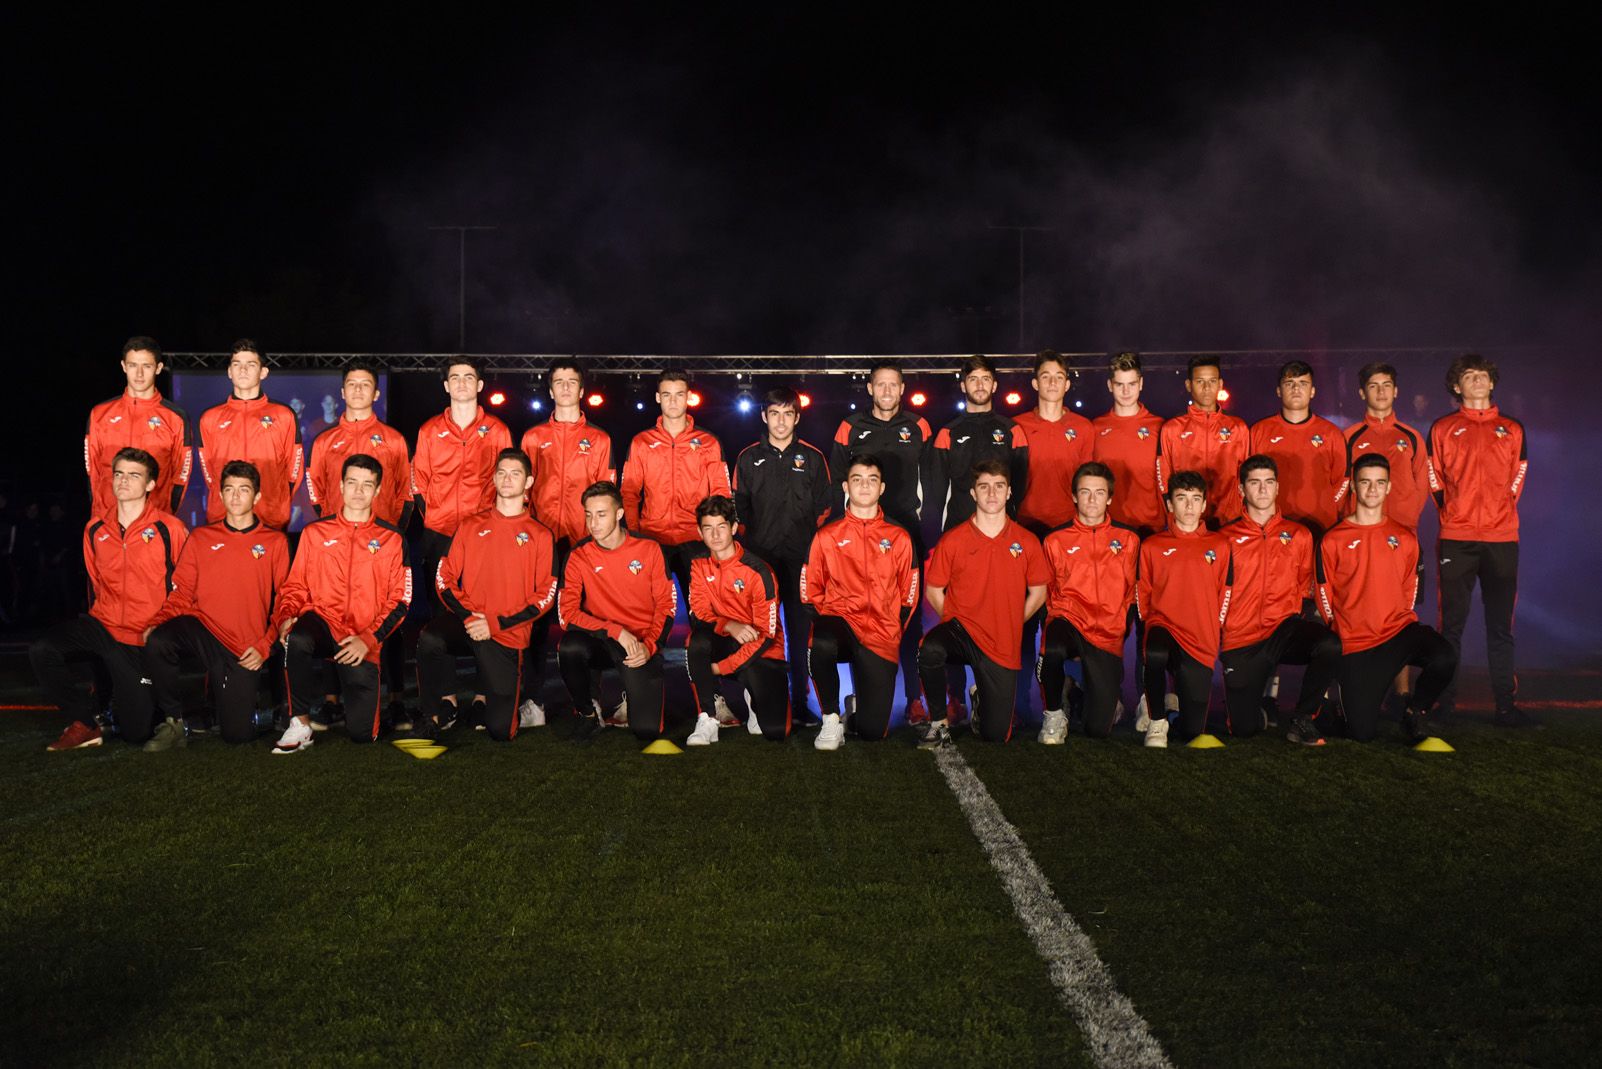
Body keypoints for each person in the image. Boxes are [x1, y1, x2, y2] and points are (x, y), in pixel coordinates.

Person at [31, 448, 189, 750]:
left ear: (151, 485)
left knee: (137, 733)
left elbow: (184, 586)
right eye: (119, 474)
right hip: (102, 627)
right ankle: (85, 722)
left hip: (141, 636)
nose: (124, 481)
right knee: (43, 649)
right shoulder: (94, 529)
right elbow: (96, 582)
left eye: (134, 475)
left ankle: (123, 701)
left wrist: (163, 628)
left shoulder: (170, 529)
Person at [269, 454, 411, 753]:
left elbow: (400, 600)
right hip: (322, 622)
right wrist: (285, 616)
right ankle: (301, 723)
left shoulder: (392, 538)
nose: (359, 491)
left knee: (362, 735)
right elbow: (295, 586)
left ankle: (360, 712)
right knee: (297, 637)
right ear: (341, 486)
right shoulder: (314, 533)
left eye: (367, 485)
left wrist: (368, 640)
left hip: (362, 639)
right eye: (352, 483)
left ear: (377, 490)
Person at [144, 460, 291, 748]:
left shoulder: (274, 542)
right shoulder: (201, 538)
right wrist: (157, 622)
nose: (236, 497)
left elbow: (285, 600)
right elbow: (183, 592)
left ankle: (248, 703)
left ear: (257, 497)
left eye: (244, 490)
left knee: (237, 736)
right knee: (159, 640)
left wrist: (265, 646)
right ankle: (173, 722)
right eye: (229, 490)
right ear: (220, 495)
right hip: (204, 630)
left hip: (243, 646)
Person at [417, 449, 558, 741]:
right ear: (493, 478)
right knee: (430, 638)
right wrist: (469, 616)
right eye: (502, 473)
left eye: (515, 474)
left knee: (501, 731)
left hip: (507, 633)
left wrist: (493, 624)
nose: (507, 479)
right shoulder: (470, 526)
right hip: (469, 623)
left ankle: (495, 704)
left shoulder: (541, 535)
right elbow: (444, 577)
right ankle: (436, 713)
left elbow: (545, 596)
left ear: (529, 482)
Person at [1318, 453, 1458, 742]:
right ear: (1354, 487)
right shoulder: (1333, 539)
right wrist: (1341, 629)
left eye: (1379, 483)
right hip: (1356, 642)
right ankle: (1337, 708)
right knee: (1360, 733)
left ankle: (1414, 713)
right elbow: (1324, 591)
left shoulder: (1404, 538)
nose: (1372, 490)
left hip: (1396, 633)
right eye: (1365, 482)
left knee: (1445, 656)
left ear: (1389, 488)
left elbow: (1410, 589)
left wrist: (1398, 623)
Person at [306, 361, 415, 725]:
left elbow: (406, 493)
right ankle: (333, 698)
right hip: (335, 543)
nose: (357, 391)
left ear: (376, 393)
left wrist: (390, 537)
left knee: (391, 615)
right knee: (331, 614)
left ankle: (397, 699)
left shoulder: (394, 439)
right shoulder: (324, 440)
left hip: (381, 544)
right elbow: (317, 492)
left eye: (365, 385)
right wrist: (330, 535)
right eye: (351, 385)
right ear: (342, 392)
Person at [1427, 353, 1531, 727]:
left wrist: (1501, 511)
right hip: (1457, 538)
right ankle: (1444, 705)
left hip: (1502, 538)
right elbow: (1433, 477)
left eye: (1483, 375)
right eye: (1468, 376)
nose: (1477, 381)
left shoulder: (1512, 428)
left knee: (1501, 626)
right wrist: (1453, 512)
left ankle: (1505, 707)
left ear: (1492, 383)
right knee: (1451, 626)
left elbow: (1519, 475)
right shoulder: (1442, 427)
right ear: (1457, 386)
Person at [828, 359, 934, 723]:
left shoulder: (919, 426)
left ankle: (915, 698)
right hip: (858, 536)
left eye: (894, 385)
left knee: (908, 618)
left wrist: (929, 530)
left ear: (902, 389)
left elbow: (933, 481)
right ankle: (859, 695)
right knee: (861, 615)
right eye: (880, 385)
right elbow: (836, 483)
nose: (887, 391)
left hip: (904, 534)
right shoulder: (850, 427)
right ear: (870, 389)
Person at [916, 461, 1049, 748]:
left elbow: (1039, 593)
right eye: (984, 487)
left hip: (1000, 642)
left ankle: (980, 699)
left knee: (996, 734)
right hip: (962, 632)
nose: (992, 493)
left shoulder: (1026, 542)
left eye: (999, 486)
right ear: (973, 494)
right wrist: (955, 620)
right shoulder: (953, 539)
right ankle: (938, 723)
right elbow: (934, 591)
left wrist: (1012, 622)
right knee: (930, 649)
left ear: (1009, 492)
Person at [518, 358, 616, 721]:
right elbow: (522, 489)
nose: (564, 388)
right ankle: (534, 702)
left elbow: (604, 492)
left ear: (581, 389)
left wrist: (598, 537)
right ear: (550, 389)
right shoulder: (532, 437)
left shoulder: (599, 439)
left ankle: (590, 700)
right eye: (557, 382)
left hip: (582, 540)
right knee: (536, 622)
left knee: (587, 618)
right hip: (540, 539)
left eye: (570, 382)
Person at [1218, 456, 1340, 746]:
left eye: (1269, 482)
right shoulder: (1224, 538)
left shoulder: (1299, 535)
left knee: (1329, 644)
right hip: (1241, 639)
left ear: (1277, 488)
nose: (1262, 490)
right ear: (1241, 490)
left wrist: (1293, 616)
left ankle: (1302, 719)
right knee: (1243, 730)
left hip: (1282, 629)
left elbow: (1306, 586)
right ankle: (1257, 711)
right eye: (1255, 483)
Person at [801, 454, 919, 750]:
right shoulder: (827, 535)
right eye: (857, 480)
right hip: (840, 623)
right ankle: (830, 719)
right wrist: (825, 621)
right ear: (845, 486)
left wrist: (892, 628)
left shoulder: (899, 536)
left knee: (872, 732)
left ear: (882, 488)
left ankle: (855, 711)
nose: (864, 486)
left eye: (872, 480)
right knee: (822, 641)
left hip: (881, 632)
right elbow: (809, 590)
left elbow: (910, 591)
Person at [732, 387, 832, 724]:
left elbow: (825, 510)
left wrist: (809, 551)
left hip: (801, 561)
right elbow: (739, 510)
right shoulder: (748, 458)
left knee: (800, 634)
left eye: (788, 414)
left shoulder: (813, 458)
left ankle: (800, 703)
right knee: (762, 631)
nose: (781, 421)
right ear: (764, 416)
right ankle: (760, 702)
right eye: (774, 413)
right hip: (760, 562)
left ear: (797, 418)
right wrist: (751, 553)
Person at [557, 481, 677, 741]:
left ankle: (631, 696)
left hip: (639, 643)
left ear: (620, 514)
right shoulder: (579, 555)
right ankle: (588, 713)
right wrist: (614, 630)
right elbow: (567, 614)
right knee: (570, 647)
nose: (593, 523)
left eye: (601, 514)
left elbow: (667, 607)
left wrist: (651, 646)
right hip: (602, 639)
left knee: (647, 731)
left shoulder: (649, 549)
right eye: (588, 515)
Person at [1345, 362, 1432, 709]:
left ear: (1396, 392)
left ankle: (1401, 694)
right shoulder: (1349, 436)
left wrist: (1403, 526)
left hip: (1401, 542)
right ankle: (1360, 688)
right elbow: (1341, 487)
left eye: (1386, 385)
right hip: (1360, 539)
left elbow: (1422, 487)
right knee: (1358, 611)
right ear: (1362, 392)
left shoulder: (1411, 436)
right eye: (1373, 385)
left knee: (1402, 615)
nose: (1380, 392)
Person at [1037, 462, 1140, 744]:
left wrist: (1119, 628)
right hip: (1069, 620)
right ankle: (1054, 714)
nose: (1092, 500)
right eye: (1085, 492)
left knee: (1097, 729)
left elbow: (1132, 594)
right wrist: (1054, 622)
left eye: (1099, 493)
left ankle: (1085, 693)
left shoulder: (1129, 539)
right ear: (1074, 496)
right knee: (1052, 647)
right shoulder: (1055, 540)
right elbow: (1045, 594)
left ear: (1109, 498)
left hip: (1106, 633)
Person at [683, 496, 791, 746]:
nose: (715, 535)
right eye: (708, 528)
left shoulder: (759, 571)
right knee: (697, 641)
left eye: (721, 527)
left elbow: (766, 635)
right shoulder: (699, 565)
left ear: (733, 528)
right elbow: (699, 612)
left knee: (775, 731)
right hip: (726, 640)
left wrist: (721, 669)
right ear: (700, 531)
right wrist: (728, 625)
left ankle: (755, 698)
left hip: (761, 650)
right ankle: (708, 719)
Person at [1137, 471, 1232, 747]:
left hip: (1200, 638)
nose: (1189, 506)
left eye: (1195, 499)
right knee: (1154, 652)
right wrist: (1147, 626)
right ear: (1169, 504)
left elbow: (1225, 593)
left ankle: (1174, 713)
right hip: (1163, 625)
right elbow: (1143, 593)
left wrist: (1215, 629)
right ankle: (1156, 721)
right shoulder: (1153, 545)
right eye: (1181, 498)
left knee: (1192, 732)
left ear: (1204, 505)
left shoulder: (1220, 545)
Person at [411, 356, 514, 612]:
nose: (461, 383)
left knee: (484, 605)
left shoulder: (498, 430)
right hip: (439, 532)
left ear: (479, 385)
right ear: (446, 386)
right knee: (440, 606)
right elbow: (418, 481)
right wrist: (434, 515)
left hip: (484, 530)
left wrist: (493, 521)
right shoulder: (429, 430)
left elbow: (510, 482)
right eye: (454, 378)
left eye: (468, 377)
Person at [620, 369, 731, 597]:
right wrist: (633, 535)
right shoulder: (641, 442)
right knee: (649, 612)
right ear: (658, 397)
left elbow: (721, 494)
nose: (673, 401)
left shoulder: (708, 442)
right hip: (652, 538)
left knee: (703, 615)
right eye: (667, 395)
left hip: (696, 539)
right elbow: (629, 493)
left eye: (679, 394)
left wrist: (716, 534)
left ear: (688, 397)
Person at [196, 340, 302, 529]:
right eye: (237, 364)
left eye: (250, 365)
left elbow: (294, 470)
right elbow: (209, 472)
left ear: (263, 372)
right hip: (222, 517)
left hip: (270, 518)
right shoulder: (210, 418)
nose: (243, 370)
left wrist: (276, 501)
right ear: (229, 371)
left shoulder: (283, 415)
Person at [85, 336, 191, 515]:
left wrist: (165, 515)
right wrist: (100, 513)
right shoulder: (100, 414)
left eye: (146, 366)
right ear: (124, 366)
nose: (139, 374)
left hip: (155, 519)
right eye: (133, 365)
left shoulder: (175, 418)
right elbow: (92, 472)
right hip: (107, 518)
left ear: (158, 368)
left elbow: (181, 476)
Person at [924, 354, 1030, 533]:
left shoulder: (1012, 431)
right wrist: (932, 536)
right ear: (963, 386)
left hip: (1001, 528)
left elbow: (1019, 489)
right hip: (958, 527)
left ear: (994, 386)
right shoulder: (947, 433)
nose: (980, 386)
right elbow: (936, 494)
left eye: (985, 379)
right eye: (973, 379)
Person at [1249, 361, 1347, 536]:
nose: (1296, 389)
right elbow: (1248, 478)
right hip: (1272, 527)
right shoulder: (1259, 431)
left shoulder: (1331, 433)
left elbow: (1342, 481)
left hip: (1321, 527)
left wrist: (1328, 506)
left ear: (1313, 391)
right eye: (1289, 384)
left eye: (1303, 383)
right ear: (1279, 391)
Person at [1156, 355, 1249, 527]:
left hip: (1229, 520)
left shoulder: (1238, 428)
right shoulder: (1172, 429)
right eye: (1200, 381)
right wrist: (1173, 514)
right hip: (1188, 522)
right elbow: (1163, 477)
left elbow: (1246, 476)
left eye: (1212, 381)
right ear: (1188, 385)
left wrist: (1238, 509)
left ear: (1220, 384)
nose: (1207, 388)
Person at [1012, 350, 1094, 536]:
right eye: (1045, 376)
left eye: (1059, 377)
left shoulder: (1083, 427)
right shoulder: (1017, 425)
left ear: (1067, 385)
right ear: (1035, 383)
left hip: (1070, 522)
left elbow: (1087, 480)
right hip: (1025, 521)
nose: (1052, 383)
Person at [1092, 351, 1166, 536]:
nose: (1126, 391)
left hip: (1150, 526)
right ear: (1110, 385)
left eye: (1132, 384)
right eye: (1119, 384)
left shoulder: (1160, 427)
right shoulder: (1095, 428)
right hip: (1108, 527)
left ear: (1141, 384)